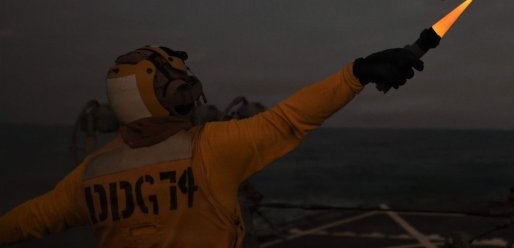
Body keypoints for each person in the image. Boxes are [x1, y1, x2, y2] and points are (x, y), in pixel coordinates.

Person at [0, 45, 424, 247]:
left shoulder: (92, 174)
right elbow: (292, 117)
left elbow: (30, 219)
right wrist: (358, 73)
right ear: (175, 94)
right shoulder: (213, 148)